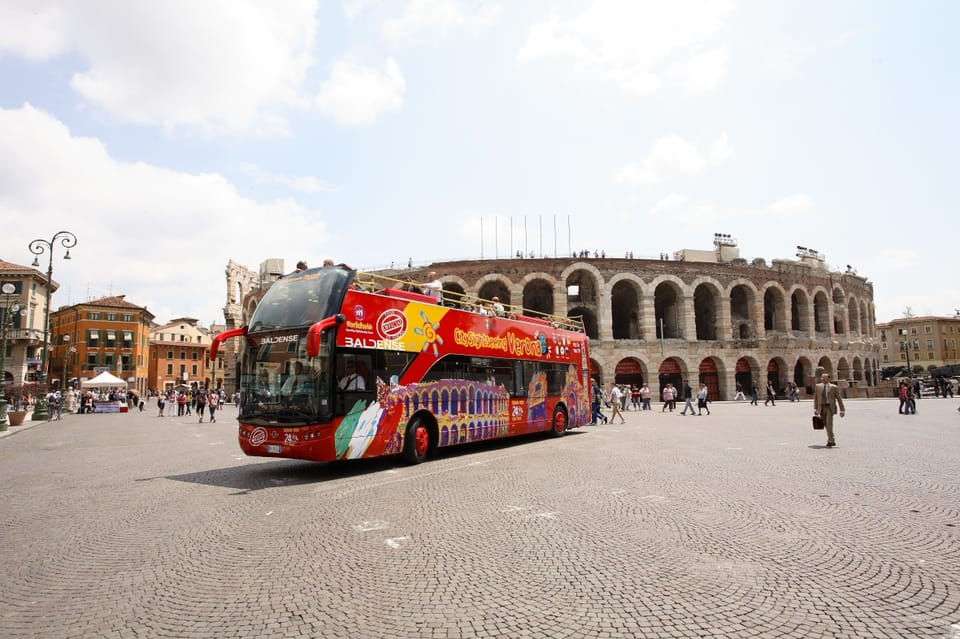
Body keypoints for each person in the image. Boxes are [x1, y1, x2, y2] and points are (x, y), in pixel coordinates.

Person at [813, 372, 845, 447]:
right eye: (822, 377)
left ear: (829, 378)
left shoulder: (834, 387)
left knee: (829, 424)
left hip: (830, 408)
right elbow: (816, 398)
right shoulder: (818, 386)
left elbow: (839, 399)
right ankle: (832, 438)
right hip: (821, 407)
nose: (823, 379)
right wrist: (816, 409)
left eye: (824, 377)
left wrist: (842, 410)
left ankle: (830, 440)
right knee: (826, 424)